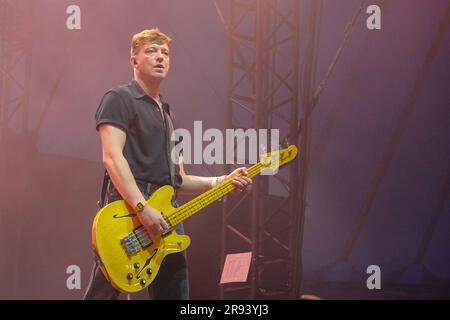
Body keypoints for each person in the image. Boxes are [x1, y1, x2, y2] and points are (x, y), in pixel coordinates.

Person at [83, 28, 252, 300]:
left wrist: (221, 182)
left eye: (165, 53)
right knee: (104, 293)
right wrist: (143, 208)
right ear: (134, 60)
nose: (160, 57)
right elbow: (112, 158)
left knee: (176, 293)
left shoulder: (169, 114)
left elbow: (179, 179)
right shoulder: (119, 98)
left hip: (168, 213)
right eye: (151, 51)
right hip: (128, 209)